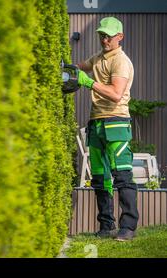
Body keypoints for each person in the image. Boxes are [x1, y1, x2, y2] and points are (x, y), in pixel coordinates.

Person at [76, 17, 139, 241]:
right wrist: (68, 69)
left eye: (109, 36)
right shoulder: (99, 57)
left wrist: (88, 82)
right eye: (101, 35)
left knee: (122, 175)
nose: (104, 39)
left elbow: (115, 93)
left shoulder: (121, 61)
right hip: (96, 123)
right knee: (100, 178)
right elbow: (80, 67)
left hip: (116, 122)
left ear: (120, 37)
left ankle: (128, 227)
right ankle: (105, 226)